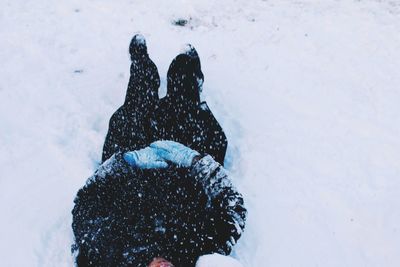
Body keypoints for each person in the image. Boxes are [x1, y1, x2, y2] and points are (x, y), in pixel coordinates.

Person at [72, 141, 247, 266]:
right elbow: (233, 209)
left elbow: (84, 206)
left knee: (137, 100)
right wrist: (198, 162)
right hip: (184, 157)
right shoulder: (198, 252)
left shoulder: (112, 255)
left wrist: (121, 162)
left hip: (133, 155)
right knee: (187, 102)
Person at [155, 46, 228, 165]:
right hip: (193, 177)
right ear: (194, 84)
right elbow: (220, 142)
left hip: (164, 176)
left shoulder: (157, 110)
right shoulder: (203, 116)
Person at [102, 34, 160, 162]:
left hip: (139, 112)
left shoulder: (141, 67)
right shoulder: (144, 66)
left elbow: (135, 93)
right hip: (144, 112)